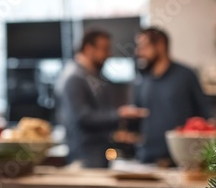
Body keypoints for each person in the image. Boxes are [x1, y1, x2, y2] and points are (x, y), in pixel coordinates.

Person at [55, 30, 147, 168]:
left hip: (100, 154)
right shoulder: (74, 78)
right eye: (104, 49)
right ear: (88, 49)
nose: (109, 54)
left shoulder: (95, 77)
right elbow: (82, 117)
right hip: (85, 157)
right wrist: (119, 114)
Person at [134, 27, 215, 164]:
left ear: (160, 45)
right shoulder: (143, 80)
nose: (139, 52)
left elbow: (204, 113)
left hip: (180, 159)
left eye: (144, 46)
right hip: (147, 157)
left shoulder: (185, 75)